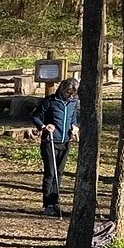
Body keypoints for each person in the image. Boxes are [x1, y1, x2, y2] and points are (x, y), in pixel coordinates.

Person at [33, 79, 80, 216]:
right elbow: (36, 117)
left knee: (59, 173)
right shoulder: (50, 101)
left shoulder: (73, 102)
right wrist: (44, 127)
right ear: (62, 89)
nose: (70, 96)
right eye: (68, 92)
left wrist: (75, 127)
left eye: (73, 93)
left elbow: (73, 118)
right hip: (50, 141)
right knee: (50, 173)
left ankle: (56, 202)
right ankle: (48, 204)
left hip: (65, 141)